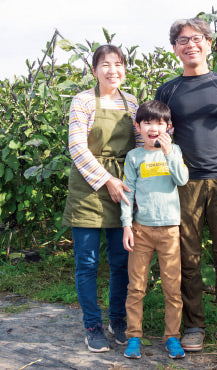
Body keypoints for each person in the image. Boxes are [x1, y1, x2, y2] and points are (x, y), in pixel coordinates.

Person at [155, 18, 217, 352]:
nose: (190, 45)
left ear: (209, 43)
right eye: (182, 40)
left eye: (196, 39)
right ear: (174, 49)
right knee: (188, 257)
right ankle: (194, 325)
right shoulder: (168, 90)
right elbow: (159, 134)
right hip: (183, 183)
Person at [62, 44, 142, 353]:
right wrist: (106, 179)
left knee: (121, 261)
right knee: (87, 262)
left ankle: (118, 320)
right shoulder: (82, 100)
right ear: (94, 70)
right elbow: (77, 147)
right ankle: (93, 325)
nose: (113, 70)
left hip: (123, 185)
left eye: (118, 64)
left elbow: (139, 144)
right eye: (105, 65)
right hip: (88, 185)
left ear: (124, 68)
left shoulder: (132, 102)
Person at [120, 100, 189, 360]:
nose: (153, 128)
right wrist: (127, 225)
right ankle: (134, 337)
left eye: (159, 123)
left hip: (170, 229)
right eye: (147, 122)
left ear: (168, 127)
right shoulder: (134, 157)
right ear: (138, 126)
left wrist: (169, 153)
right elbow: (129, 192)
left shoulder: (175, 151)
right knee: (136, 287)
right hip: (141, 230)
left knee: (172, 287)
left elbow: (182, 179)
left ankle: (172, 336)